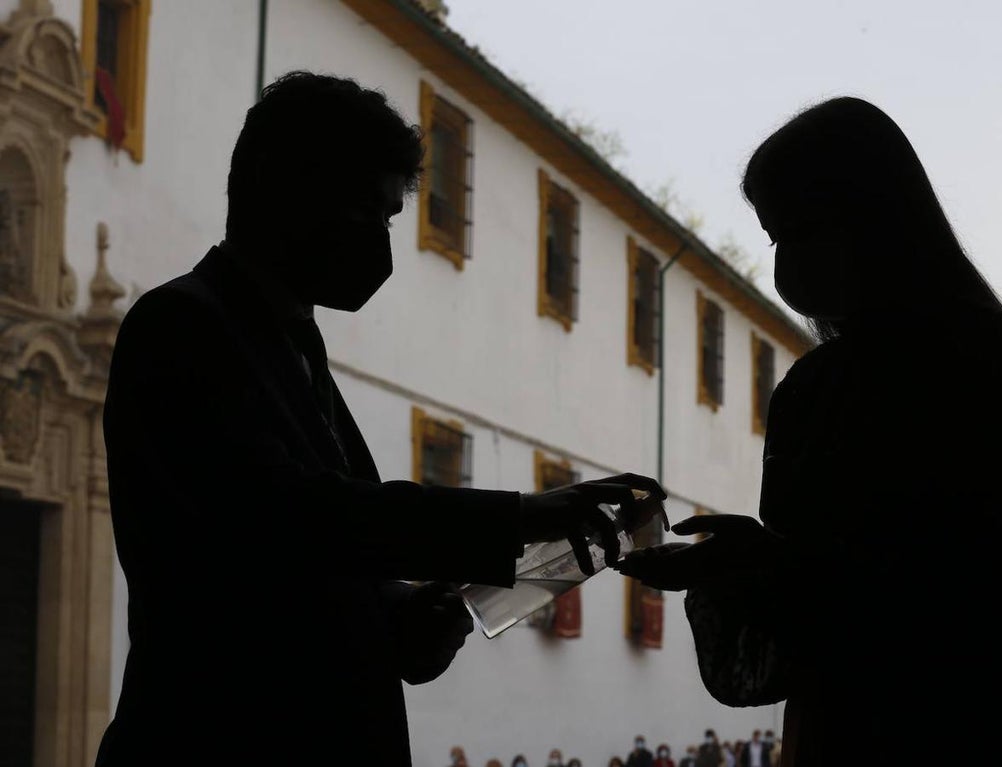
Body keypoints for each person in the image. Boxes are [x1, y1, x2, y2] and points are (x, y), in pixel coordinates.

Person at [93, 71, 664, 767]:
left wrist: (398, 612)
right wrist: (521, 516)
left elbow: (299, 566)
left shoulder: (292, 344)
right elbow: (288, 515)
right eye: (368, 213)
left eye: (390, 219)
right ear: (281, 186)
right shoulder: (183, 325)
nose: (381, 245)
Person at [618, 97, 1002, 766]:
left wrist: (760, 564)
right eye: (775, 237)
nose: (785, 260)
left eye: (799, 230)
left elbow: (966, 585)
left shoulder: (863, 380)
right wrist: (755, 562)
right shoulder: (994, 355)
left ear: (869, 218)